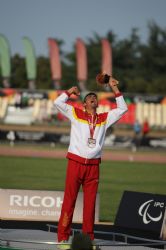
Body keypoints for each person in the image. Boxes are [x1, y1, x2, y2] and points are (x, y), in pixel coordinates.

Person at [54, 76, 128, 249]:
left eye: (94, 97)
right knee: (69, 201)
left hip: (93, 167)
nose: (92, 98)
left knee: (90, 206)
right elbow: (58, 103)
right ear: (84, 104)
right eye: (89, 97)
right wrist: (69, 92)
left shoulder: (104, 118)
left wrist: (115, 88)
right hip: (75, 163)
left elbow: (123, 108)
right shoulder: (75, 113)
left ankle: (89, 241)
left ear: (97, 103)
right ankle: (63, 239)